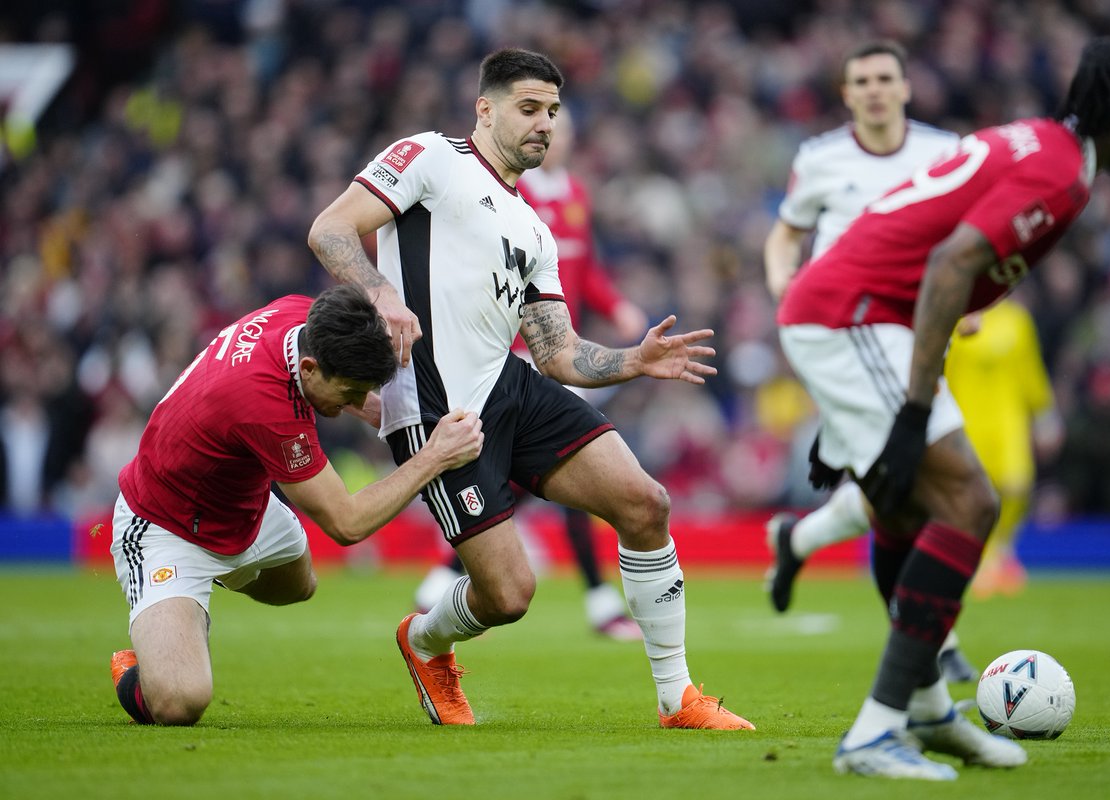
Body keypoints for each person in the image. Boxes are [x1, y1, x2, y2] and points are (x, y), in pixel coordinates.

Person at [308, 47, 752, 730]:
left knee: (645, 502)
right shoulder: (430, 158)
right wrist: (382, 295)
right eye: (528, 108)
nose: (544, 123)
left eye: (552, 110)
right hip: (437, 410)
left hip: (510, 384)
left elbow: (560, 354)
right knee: (511, 595)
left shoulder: (535, 230)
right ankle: (423, 641)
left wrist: (633, 361)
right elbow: (330, 229)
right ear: (484, 110)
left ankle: (678, 699)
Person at [775, 37, 1110, 779]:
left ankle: (928, 714)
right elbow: (951, 263)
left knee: (902, 511)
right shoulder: (1058, 172)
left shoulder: (1039, 144)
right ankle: (875, 732)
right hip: (854, 315)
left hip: (857, 315)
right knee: (970, 503)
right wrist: (911, 412)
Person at [107, 285, 484, 726]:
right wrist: (434, 455)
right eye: (350, 393)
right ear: (308, 368)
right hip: (163, 525)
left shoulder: (306, 317)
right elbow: (347, 523)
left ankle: (180, 621)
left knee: (299, 586)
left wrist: (387, 412)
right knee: (179, 704)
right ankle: (156, 653)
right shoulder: (265, 404)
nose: (357, 405)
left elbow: (342, 383)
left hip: (239, 504)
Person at [762, 40, 977, 683]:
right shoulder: (821, 159)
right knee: (927, 484)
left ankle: (795, 541)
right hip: (846, 333)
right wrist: (784, 286)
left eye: (887, 78)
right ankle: (933, 651)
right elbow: (786, 232)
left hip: (919, 336)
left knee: (894, 484)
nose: (876, 89)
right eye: (863, 80)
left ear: (907, 88)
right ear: (847, 94)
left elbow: (969, 239)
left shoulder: (945, 154)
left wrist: (970, 299)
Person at [413, 106, 648, 642]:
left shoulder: (576, 197)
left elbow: (584, 273)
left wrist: (616, 308)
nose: (552, 137)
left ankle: (453, 575)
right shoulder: (516, 195)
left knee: (566, 469)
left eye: (562, 129)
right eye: (547, 127)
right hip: (514, 353)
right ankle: (593, 598)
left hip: (560, 350)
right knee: (547, 470)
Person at [944, 299, 1062, 597]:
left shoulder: (1017, 320)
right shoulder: (957, 317)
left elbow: (1030, 370)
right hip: (966, 417)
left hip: (1009, 419)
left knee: (1016, 486)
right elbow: (946, 370)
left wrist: (1045, 415)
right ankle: (980, 560)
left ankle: (999, 550)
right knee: (972, 494)